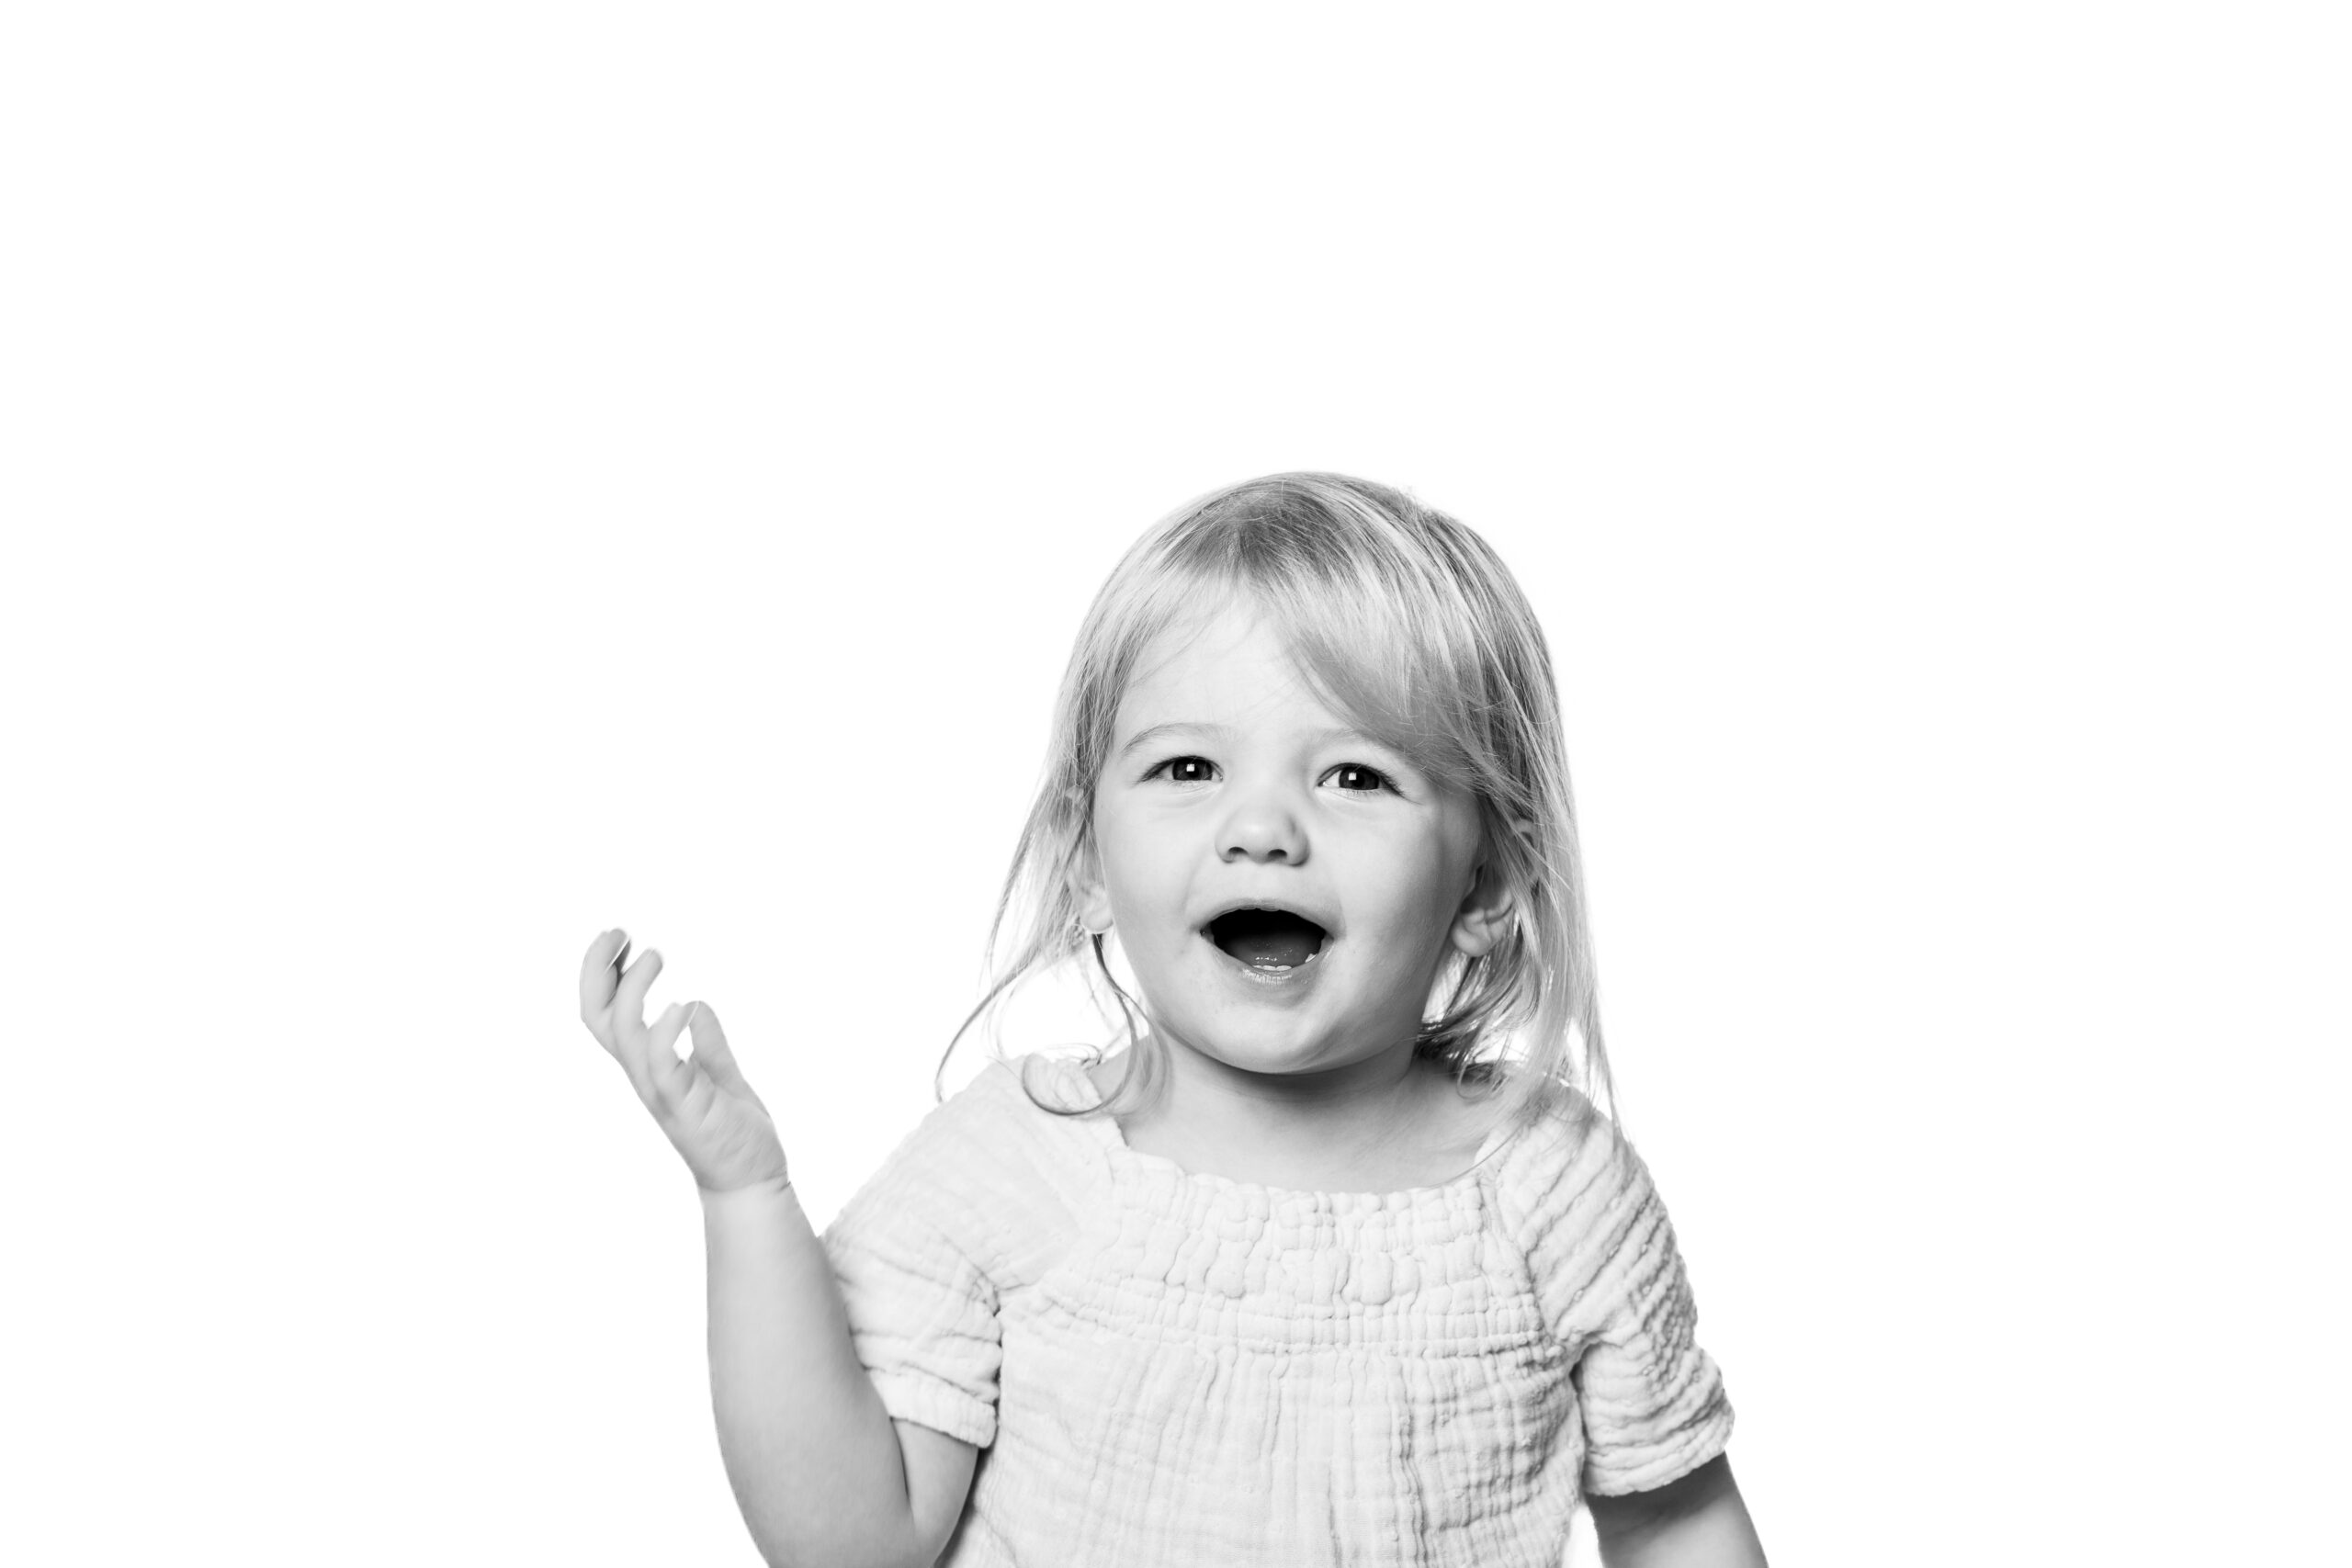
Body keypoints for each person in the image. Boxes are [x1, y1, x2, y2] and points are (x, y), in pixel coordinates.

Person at [577, 473, 1769, 1567]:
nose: (1262, 829)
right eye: (1189, 770)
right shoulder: (1019, 1165)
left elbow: (1678, 1521)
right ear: (1090, 859)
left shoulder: (1554, 1196)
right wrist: (745, 1195)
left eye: (1354, 776)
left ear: (1486, 885)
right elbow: (852, 1541)